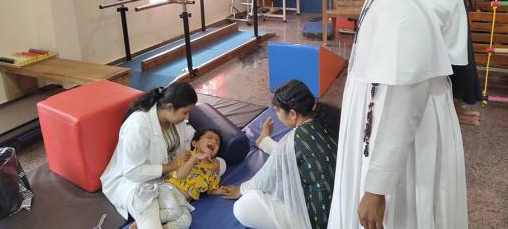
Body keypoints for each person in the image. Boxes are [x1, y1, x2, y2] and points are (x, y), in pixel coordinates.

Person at [327, 0, 476, 228]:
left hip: (403, 134)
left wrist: (377, 186)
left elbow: (405, 93)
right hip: (394, 118)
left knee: (406, 215)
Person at [100, 82, 226, 229]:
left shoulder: (175, 120)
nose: (187, 117)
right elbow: (132, 172)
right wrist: (172, 165)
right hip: (136, 183)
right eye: (185, 112)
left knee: (221, 164)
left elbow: (191, 140)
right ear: (170, 107)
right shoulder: (138, 126)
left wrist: (207, 158)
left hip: (169, 179)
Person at [222, 80, 338, 229]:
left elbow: (267, 177)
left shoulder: (294, 139)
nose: (276, 115)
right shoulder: (323, 123)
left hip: (315, 222)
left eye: (277, 111)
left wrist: (241, 189)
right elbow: (290, 155)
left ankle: (264, 141)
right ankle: (264, 141)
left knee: (242, 207)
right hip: (336, 209)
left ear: (293, 114)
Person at [159, 128, 226, 229]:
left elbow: (210, 190)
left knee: (186, 221)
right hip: (169, 190)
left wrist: (224, 190)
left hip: (183, 201)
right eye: (209, 138)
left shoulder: (212, 171)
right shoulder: (187, 155)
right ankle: (143, 222)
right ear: (195, 143)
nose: (213, 142)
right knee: (174, 212)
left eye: (217, 142)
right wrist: (194, 158)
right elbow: (180, 175)